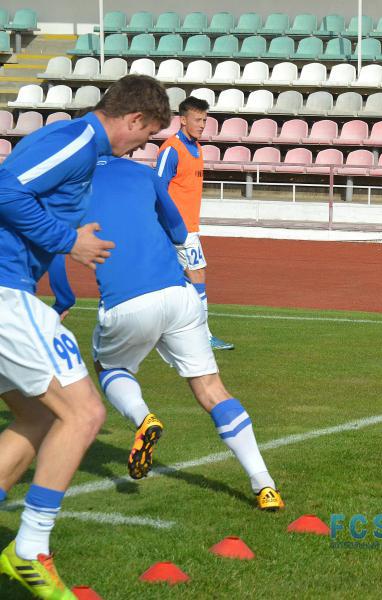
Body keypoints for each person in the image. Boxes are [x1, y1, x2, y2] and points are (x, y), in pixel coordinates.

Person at [0, 74, 170, 599]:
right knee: (86, 414)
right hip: (4, 291)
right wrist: (66, 241)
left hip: (13, 288)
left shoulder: (80, 145)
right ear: (134, 119)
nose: (141, 148)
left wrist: (63, 259)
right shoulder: (77, 140)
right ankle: (30, 550)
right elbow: (4, 190)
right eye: (145, 137)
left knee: (37, 415)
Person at [49, 154, 285, 512]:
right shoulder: (142, 172)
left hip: (126, 302)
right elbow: (178, 230)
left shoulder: (69, 182)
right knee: (212, 389)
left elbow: (53, 244)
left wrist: (62, 300)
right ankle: (264, 484)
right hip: (178, 294)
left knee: (109, 367)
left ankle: (143, 417)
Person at [156, 97, 234, 351]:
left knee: (177, 280)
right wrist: (166, 225)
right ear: (183, 120)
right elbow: (157, 188)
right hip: (178, 229)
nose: (202, 125)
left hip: (188, 226)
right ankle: (203, 335)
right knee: (197, 273)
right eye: (198, 120)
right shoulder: (171, 149)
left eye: (205, 120)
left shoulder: (197, 148)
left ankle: (169, 331)